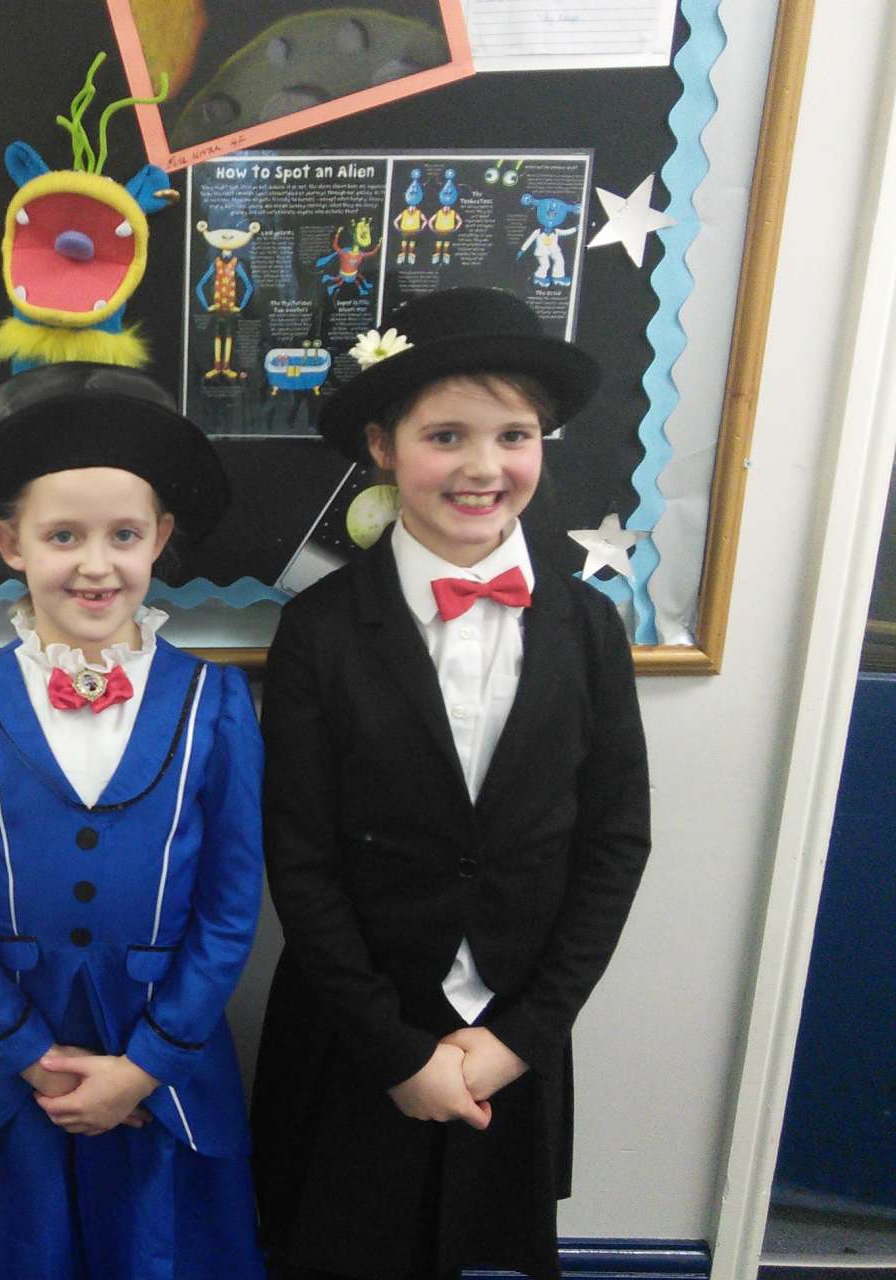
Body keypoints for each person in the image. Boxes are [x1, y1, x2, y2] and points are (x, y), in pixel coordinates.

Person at [252, 288, 652, 1280]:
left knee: (484, 1248)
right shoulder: (318, 631)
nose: (483, 467)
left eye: (513, 435)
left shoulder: (588, 628)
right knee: (338, 1245)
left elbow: (614, 841)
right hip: (361, 1029)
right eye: (445, 435)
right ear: (383, 447)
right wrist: (395, 1050)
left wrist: (523, 1036)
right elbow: (299, 857)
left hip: (514, 1028)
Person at [0, 363, 267, 1279]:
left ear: (160, 539)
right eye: (62, 535)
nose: (96, 565)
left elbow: (231, 906)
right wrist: (28, 1053)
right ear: (11, 542)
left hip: (165, 1049)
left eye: (124, 535)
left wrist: (147, 1064)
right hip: (12, 1053)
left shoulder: (217, 703)